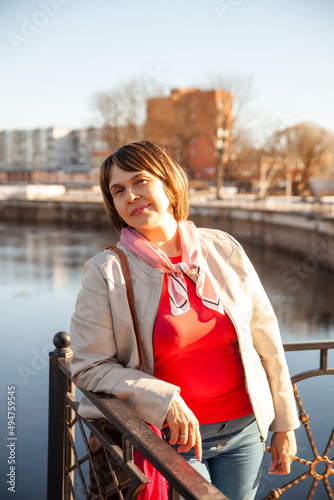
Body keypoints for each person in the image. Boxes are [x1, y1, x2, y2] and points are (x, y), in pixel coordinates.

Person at [70, 141, 300, 500]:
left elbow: (266, 338)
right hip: (170, 438)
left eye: (140, 181)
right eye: (118, 190)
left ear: (169, 183)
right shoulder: (106, 271)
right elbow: (87, 366)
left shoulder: (223, 248)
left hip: (245, 432)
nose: (131, 195)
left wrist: (284, 424)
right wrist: (162, 398)